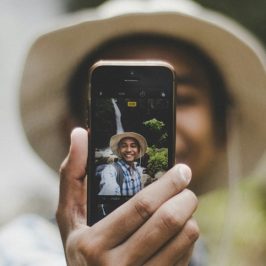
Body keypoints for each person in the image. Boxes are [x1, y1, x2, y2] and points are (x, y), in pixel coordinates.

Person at [1, 0, 265, 265]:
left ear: (223, 128)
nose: (140, 127)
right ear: (73, 130)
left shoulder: (197, 255)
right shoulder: (20, 250)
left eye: (180, 98)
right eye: (118, 97)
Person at [98, 132, 147, 196]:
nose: (129, 150)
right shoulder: (110, 171)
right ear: (118, 150)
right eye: (123, 146)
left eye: (133, 146)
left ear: (138, 150)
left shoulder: (138, 170)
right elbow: (109, 189)